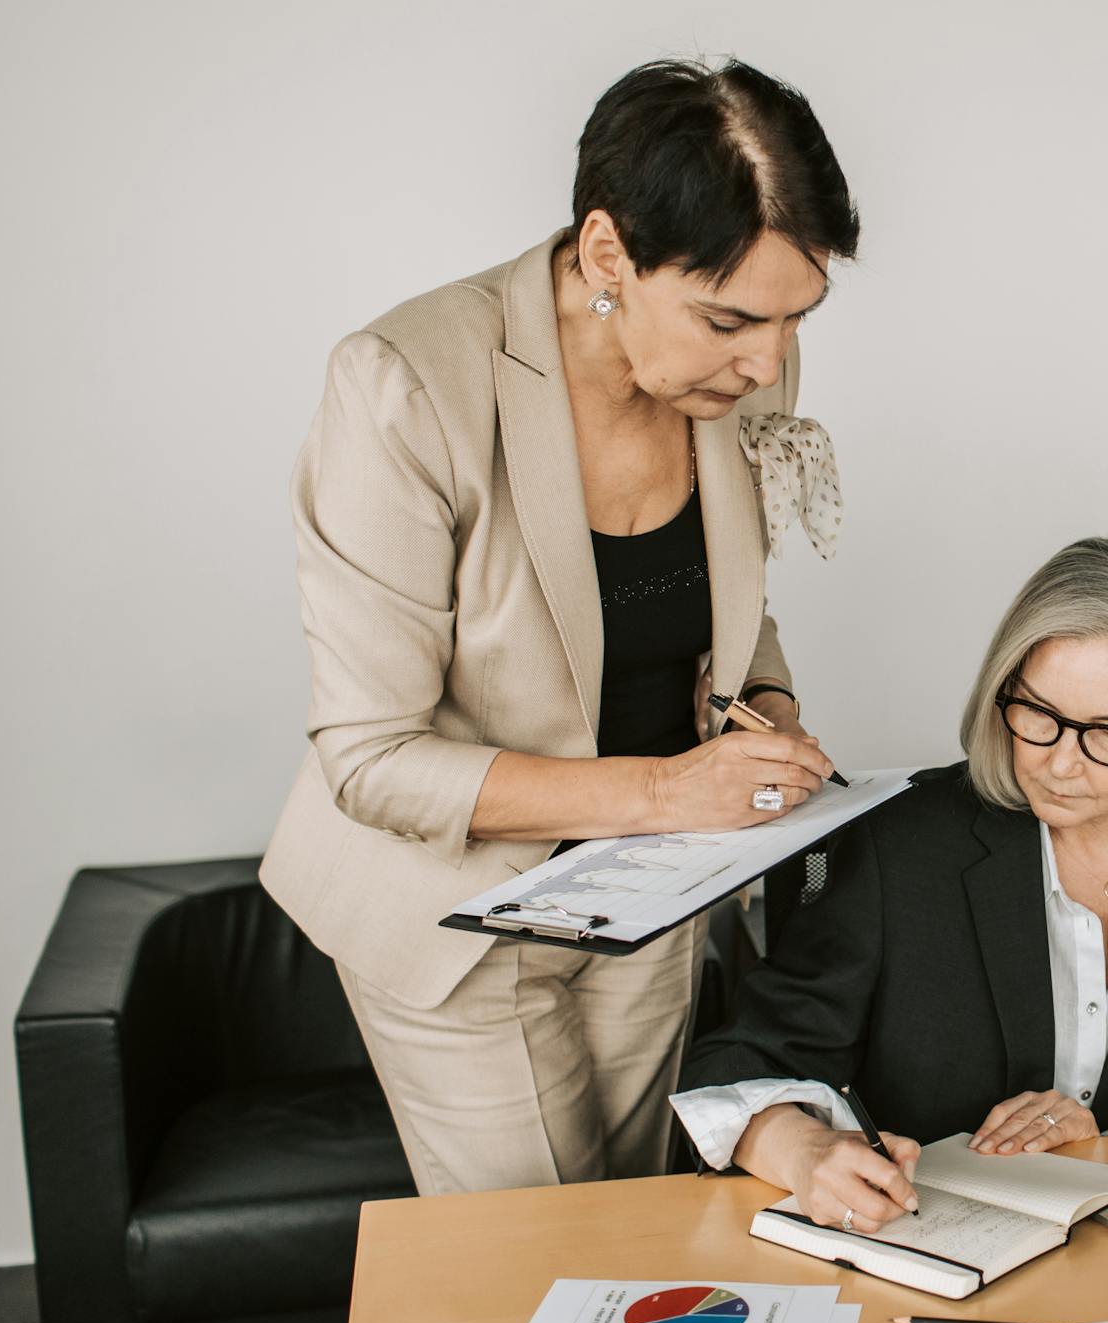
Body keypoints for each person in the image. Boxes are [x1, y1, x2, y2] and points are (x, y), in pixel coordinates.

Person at [259, 58, 859, 1195]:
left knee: (634, 1234)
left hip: (654, 897)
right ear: (603, 256)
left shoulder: (740, 372)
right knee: (534, 1264)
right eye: (730, 318)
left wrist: (761, 716)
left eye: (795, 318)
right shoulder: (405, 388)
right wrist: (671, 793)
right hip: (451, 917)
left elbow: (729, 609)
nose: (767, 362)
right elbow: (371, 761)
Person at [672, 538, 1108, 1233]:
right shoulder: (893, 844)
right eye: (1038, 713)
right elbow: (733, 1063)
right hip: (918, 1245)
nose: (1060, 763)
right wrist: (800, 1148)